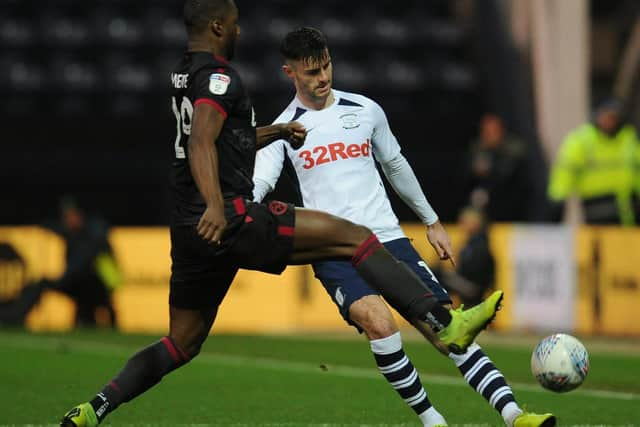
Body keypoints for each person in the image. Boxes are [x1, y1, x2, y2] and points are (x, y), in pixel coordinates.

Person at [60, 2, 502, 426]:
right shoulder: (220, 78)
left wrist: (276, 131)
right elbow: (201, 143)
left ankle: (95, 407)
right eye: (233, 23)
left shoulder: (183, 73)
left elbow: (222, 138)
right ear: (217, 28)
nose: (239, 30)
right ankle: (445, 322)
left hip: (189, 231)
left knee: (181, 343)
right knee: (351, 234)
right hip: (227, 218)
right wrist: (217, 203)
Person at [252, 27, 553, 427]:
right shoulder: (283, 129)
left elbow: (395, 165)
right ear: (289, 72)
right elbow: (259, 184)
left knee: (447, 330)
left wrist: (431, 221)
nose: (323, 77)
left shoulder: (365, 110)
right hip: (334, 252)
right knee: (380, 322)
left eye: (326, 66)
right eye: (311, 72)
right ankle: (433, 421)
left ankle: (515, 415)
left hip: (388, 240)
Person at [0, 197, 120, 328]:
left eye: (71, 215)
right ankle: (12, 318)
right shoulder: (71, 233)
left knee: (94, 305)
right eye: (66, 216)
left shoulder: (94, 235)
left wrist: (62, 279)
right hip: (77, 284)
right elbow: (54, 227)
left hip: (97, 285)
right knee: (41, 284)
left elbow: (81, 263)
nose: (68, 220)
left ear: (81, 215)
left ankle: (97, 324)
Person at [548, 99, 640, 225]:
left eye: (613, 117)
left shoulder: (629, 139)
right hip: (596, 208)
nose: (608, 122)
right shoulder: (582, 140)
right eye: (606, 116)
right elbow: (566, 170)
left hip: (629, 209)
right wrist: (558, 198)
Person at [467, 114, 531, 222]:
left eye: (492, 131)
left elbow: (509, 176)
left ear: (501, 131)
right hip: (484, 205)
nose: (489, 136)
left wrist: (490, 170)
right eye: (486, 132)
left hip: (511, 205)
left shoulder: (513, 149)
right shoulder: (478, 149)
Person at [435, 207, 495, 308]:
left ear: (475, 223)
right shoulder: (472, 242)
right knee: (438, 272)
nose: (461, 224)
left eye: (464, 221)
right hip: (468, 285)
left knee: (435, 274)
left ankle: (441, 314)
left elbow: (476, 272)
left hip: (473, 288)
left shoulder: (479, 244)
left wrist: (452, 275)